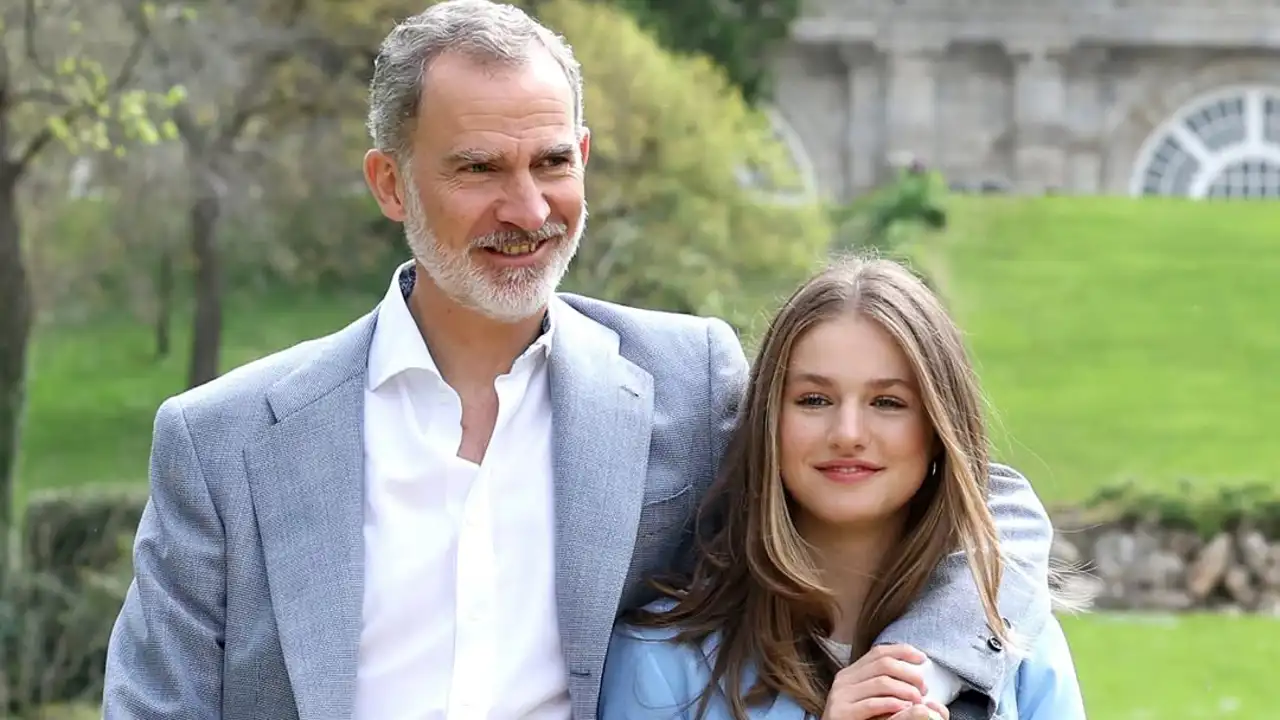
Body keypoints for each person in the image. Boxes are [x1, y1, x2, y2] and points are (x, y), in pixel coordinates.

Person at [101, 1, 1056, 719]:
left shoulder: (688, 379)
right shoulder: (224, 442)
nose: (527, 209)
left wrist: (921, 667)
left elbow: (983, 503)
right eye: (478, 168)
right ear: (390, 182)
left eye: (552, 163)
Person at [598, 257, 1087, 720]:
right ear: (769, 420)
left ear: (939, 428)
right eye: (814, 399)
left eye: (888, 402)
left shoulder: (1018, 645)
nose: (848, 432)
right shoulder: (658, 657)